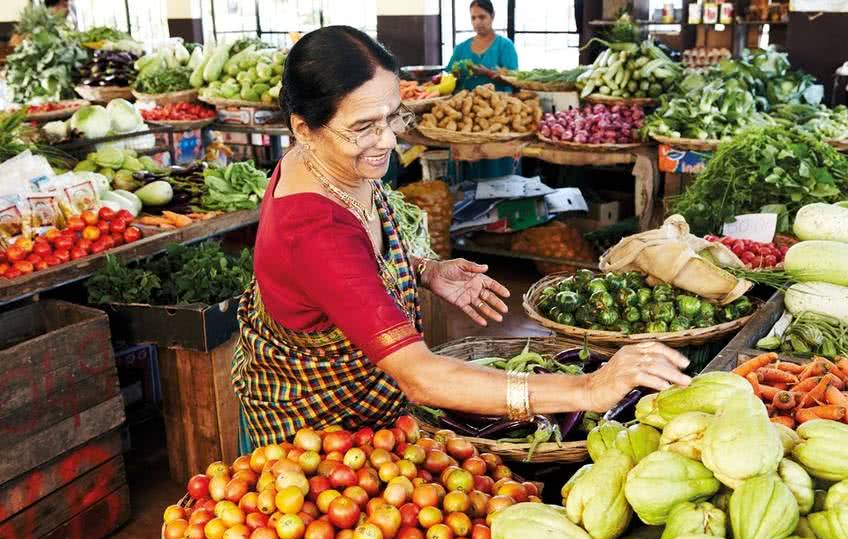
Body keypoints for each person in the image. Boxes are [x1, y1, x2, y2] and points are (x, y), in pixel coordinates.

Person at [231, 25, 691, 448]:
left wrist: (424, 270)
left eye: (393, 118)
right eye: (364, 127)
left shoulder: (328, 159)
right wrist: (587, 389)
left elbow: (345, 271)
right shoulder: (314, 228)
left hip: (365, 402)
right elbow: (421, 378)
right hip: (318, 431)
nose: (388, 141)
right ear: (302, 129)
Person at [445, 0, 519, 179]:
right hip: (466, 116)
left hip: (496, 115)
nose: (478, 22)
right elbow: (447, 77)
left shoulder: (504, 46)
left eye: (482, 17)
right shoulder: (461, 48)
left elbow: (515, 80)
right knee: (466, 168)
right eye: (473, 18)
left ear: (492, 16)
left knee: (496, 165)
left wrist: (490, 73)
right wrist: (454, 75)